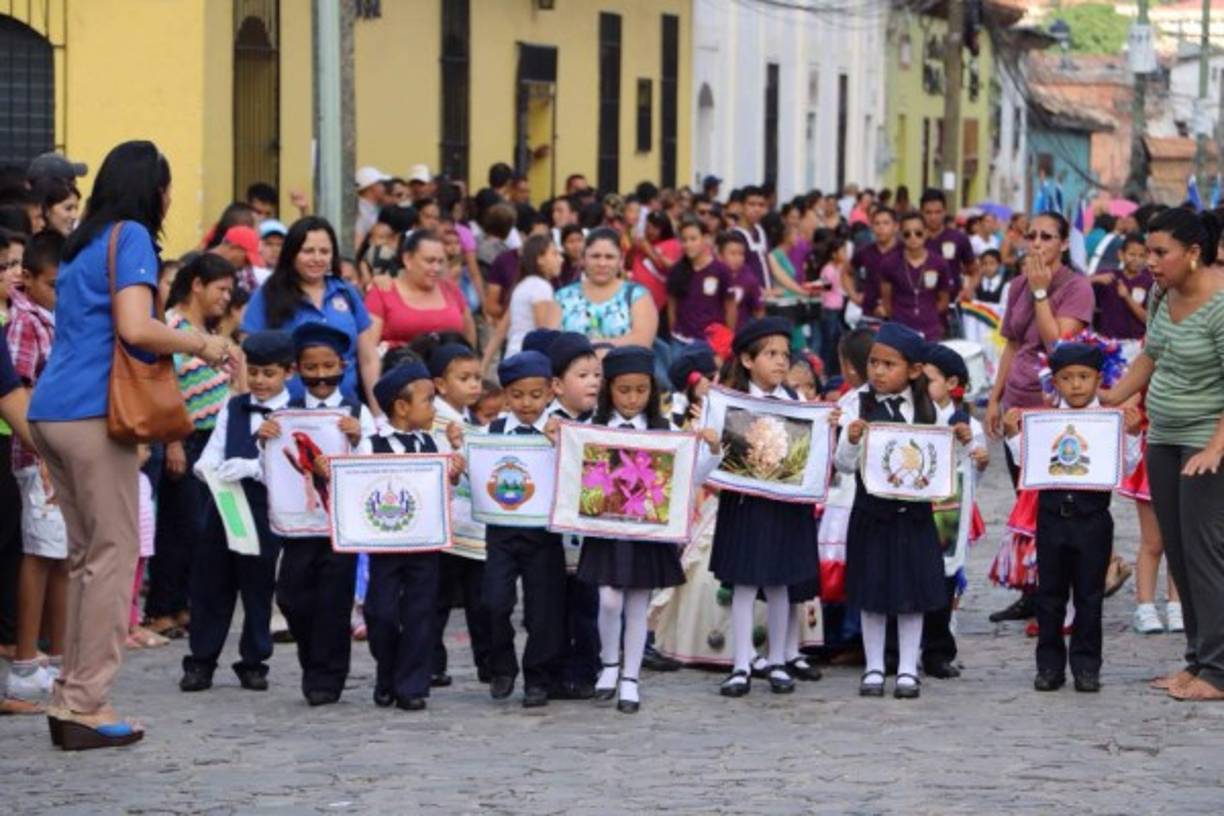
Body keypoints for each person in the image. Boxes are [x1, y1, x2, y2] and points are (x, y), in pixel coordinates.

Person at [29, 141, 232, 749]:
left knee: (87, 559)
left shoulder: (84, 241)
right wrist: (204, 345)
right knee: (113, 558)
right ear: (153, 189)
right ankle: (86, 703)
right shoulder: (133, 237)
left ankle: (71, 696)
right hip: (96, 411)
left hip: (53, 408)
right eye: (167, 187)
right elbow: (137, 327)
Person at [1104, 208, 1224, 701]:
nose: (1150, 262)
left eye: (1160, 253)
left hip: (1205, 443)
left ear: (1193, 253)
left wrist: (1215, 447)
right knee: (1177, 551)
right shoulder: (1161, 293)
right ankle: (1197, 660)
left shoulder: (1220, 305)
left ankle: (1218, 671)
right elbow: (1151, 354)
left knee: (1204, 554)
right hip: (1164, 438)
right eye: (1148, 251)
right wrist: (1112, 396)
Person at [571, 346, 719, 714]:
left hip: (646, 532)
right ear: (609, 389)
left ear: (652, 390)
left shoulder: (664, 431)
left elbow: (690, 478)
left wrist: (712, 449)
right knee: (609, 599)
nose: (632, 398)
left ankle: (631, 678)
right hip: (606, 531)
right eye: (624, 390)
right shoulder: (592, 429)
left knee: (638, 605)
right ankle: (609, 663)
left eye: (641, 390)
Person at [834, 322, 972, 699]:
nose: (878, 371)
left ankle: (909, 667)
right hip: (871, 513)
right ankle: (875, 666)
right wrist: (850, 440)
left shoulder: (928, 409)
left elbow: (943, 464)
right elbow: (843, 465)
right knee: (872, 593)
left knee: (912, 595)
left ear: (913, 370)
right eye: (874, 363)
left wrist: (962, 444)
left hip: (914, 517)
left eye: (888, 364)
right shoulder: (857, 404)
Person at [1005, 343, 1142, 692]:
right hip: (1051, 518)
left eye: (1084, 377)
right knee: (1049, 595)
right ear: (1055, 382)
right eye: (1067, 378)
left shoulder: (1108, 421)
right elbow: (1028, 463)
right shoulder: (1045, 421)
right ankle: (1049, 666)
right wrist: (1013, 434)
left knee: (1089, 596)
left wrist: (1132, 433)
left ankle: (1086, 667)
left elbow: (1125, 467)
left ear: (1098, 379)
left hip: (1092, 518)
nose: (1076, 385)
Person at [712, 317, 823, 698]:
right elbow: (716, 459)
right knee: (744, 583)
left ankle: (777, 659)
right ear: (747, 360)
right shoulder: (730, 402)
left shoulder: (797, 402)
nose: (780, 362)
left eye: (784, 355)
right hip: (745, 504)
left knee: (780, 582)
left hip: (785, 505)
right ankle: (741, 662)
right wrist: (710, 443)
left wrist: (826, 428)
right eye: (770, 354)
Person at [266, 323, 375, 706]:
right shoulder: (284, 414)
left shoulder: (357, 412)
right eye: (311, 368)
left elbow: (372, 462)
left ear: (343, 365)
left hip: (340, 526)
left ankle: (327, 677)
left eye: (328, 366)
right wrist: (264, 440)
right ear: (297, 370)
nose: (321, 375)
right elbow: (272, 465)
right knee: (291, 596)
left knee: (334, 601)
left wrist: (358, 438)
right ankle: (312, 658)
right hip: (299, 526)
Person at [180, 331, 293, 694]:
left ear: (287, 372)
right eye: (254, 372)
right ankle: (201, 660)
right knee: (211, 582)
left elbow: (293, 465)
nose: (259, 381)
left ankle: (254, 661)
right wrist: (207, 468)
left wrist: (254, 467)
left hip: (264, 505)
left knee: (258, 584)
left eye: (269, 374)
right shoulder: (234, 406)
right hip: (225, 500)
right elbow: (214, 448)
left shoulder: (295, 412)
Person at [144, 253, 238, 639]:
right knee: (179, 527)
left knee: (202, 530)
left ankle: (183, 605)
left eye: (230, 291)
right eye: (221, 289)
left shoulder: (209, 331)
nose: (226, 298)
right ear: (197, 285)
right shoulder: (173, 327)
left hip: (215, 442)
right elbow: (166, 386)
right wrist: (174, 442)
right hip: (186, 438)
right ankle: (162, 608)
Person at [365, 361, 464, 712]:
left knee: (420, 614)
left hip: (424, 545)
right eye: (428, 401)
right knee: (380, 613)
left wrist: (452, 474)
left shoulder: (432, 443)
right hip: (385, 547)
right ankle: (387, 672)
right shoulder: (370, 445)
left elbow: (442, 493)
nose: (434, 408)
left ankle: (411, 684)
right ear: (402, 407)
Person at [482, 350, 567, 708]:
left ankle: (538, 677)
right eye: (517, 395)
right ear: (505, 396)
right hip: (501, 532)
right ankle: (502, 666)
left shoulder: (561, 429)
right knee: (493, 602)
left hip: (544, 534)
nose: (526, 403)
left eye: (535, 395)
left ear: (550, 391)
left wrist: (559, 444)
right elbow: (477, 472)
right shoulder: (492, 432)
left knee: (543, 609)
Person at [5, 230, 66, 701]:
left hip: (60, 449)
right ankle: (25, 660)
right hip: (35, 455)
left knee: (61, 552)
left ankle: (59, 657)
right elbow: (19, 389)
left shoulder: (54, 318)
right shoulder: (25, 323)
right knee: (40, 552)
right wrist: (44, 451)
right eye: (52, 285)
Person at [242, 216, 381, 409]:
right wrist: (250, 410)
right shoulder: (268, 294)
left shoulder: (347, 292)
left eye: (324, 251)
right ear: (292, 253)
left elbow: (368, 359)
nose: (317, 258)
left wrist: (377, 412)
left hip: (345, 411)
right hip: (283, 413)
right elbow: (246, 356)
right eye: (308, 251)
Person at [423, 340, 491, 687]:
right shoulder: (432, 421)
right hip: (443, 525)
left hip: (472, 526)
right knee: (436, 600)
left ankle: (488, 664)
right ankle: (431, 663)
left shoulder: (472, 422)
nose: (474, 385)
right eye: (464, 378)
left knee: (480, 601)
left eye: (477, 377)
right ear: (440, 384)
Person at [541, 332, 603, 699]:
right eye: (582, 375)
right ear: (557, 385)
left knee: (587, 606)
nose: (593, 382)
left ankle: (585, 670)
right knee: (552, 607)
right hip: (552, 534)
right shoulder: (545, 424)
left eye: (596, 374)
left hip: (591, 533)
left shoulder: (603, 423)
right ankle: (552, 671)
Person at [922, 345, 988, 679]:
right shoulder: (914, 418)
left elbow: (975, 473)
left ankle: (938, 650)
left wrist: (977, 456)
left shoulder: (969, 425)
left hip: (947, 511)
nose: (921, 387)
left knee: (944, 578)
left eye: (928, 380)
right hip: (915, 506)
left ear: (951, 383)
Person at [365, 230, 477, 351]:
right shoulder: (383, 291)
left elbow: (469, 337)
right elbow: (368, 348)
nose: (436, 268)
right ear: (408, 259)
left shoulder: (451, 289)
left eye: (440, 261)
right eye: (430, 261)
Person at [555, 228, 658, 348]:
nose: (602, 263)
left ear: (620, 260)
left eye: (609, 257)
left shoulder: (637, 296)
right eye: (595, 256)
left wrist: (592, 346)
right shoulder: (562, 297)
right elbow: (553, 343)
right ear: (583, 259)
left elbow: (643, 341)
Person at [483, 235, 562, 365]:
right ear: (540, 259)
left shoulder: (521, 286)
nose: (560, 259)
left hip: (512, 357)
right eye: (554, 254)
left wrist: (484, 365)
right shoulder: (540, 286)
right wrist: (557, 316)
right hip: (529, 362)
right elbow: (543, 335)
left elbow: (500, 331)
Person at [879, 212, 953, 341]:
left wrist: (928, 315)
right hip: (900, 331)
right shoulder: (889, 263)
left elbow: (944, 301)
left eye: (918, 233)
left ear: (926, 233)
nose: (913, 237)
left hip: (931, 332)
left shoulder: (939, 263)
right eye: (907, 234)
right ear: (901, 236)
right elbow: (886, 302)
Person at [667, 216, 733, 346]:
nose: (688, 244)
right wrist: (673, 332)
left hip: (711, 341)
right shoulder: (676, 270)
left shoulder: (721, 270)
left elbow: (730, 305)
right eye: (684, 240)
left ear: (706, 238)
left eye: (693, 239)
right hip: (681, 340)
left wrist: (727, 338)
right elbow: (672, 304)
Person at [1090, 233, 1152, 358]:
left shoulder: (1149, 282)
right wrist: (1094, 279)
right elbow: (1077, 286)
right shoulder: (1107, 276)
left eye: (1141, 256)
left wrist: (1127, 297)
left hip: (1136, 344)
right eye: (1132, 254)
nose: (1136, 259)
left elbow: (1148, 319)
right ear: (1121, 255)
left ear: (1147, 258)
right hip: (1107, 341)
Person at [920, 188, 976, 300]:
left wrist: (969, 288)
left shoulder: (959, 238)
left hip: (951, 302)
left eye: (938, 212)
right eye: (928, 212)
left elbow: (974, 270)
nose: (933, 217)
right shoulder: (912, 239)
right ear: (921, 212)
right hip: (921, 302)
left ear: (945, 211)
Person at [850, 207, 901, 322]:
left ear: (896, 226)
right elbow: (846, 272)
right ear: (871, 227)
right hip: (870, 316)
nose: (881, 227)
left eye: (886, 223)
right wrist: (853, 295)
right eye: (877, 223)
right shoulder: (865, 251)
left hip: (898, 317)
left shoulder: (904, 251)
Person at [629, 210, 682, 311]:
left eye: (655, 228)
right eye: (648, 227)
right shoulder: (643, 243)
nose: (650, 231)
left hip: (657, 303)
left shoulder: (672, 244)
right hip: (635, 299)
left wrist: (647, 249)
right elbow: (628, 265)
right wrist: (633, 248)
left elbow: (664, 267)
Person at [720, 231, 763, 331]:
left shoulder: (750, 280)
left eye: (741, 254)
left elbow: (759, 311)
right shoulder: (713, 276)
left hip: (740, 333)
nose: (738, 258)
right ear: (721, 255)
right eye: (733, 253)